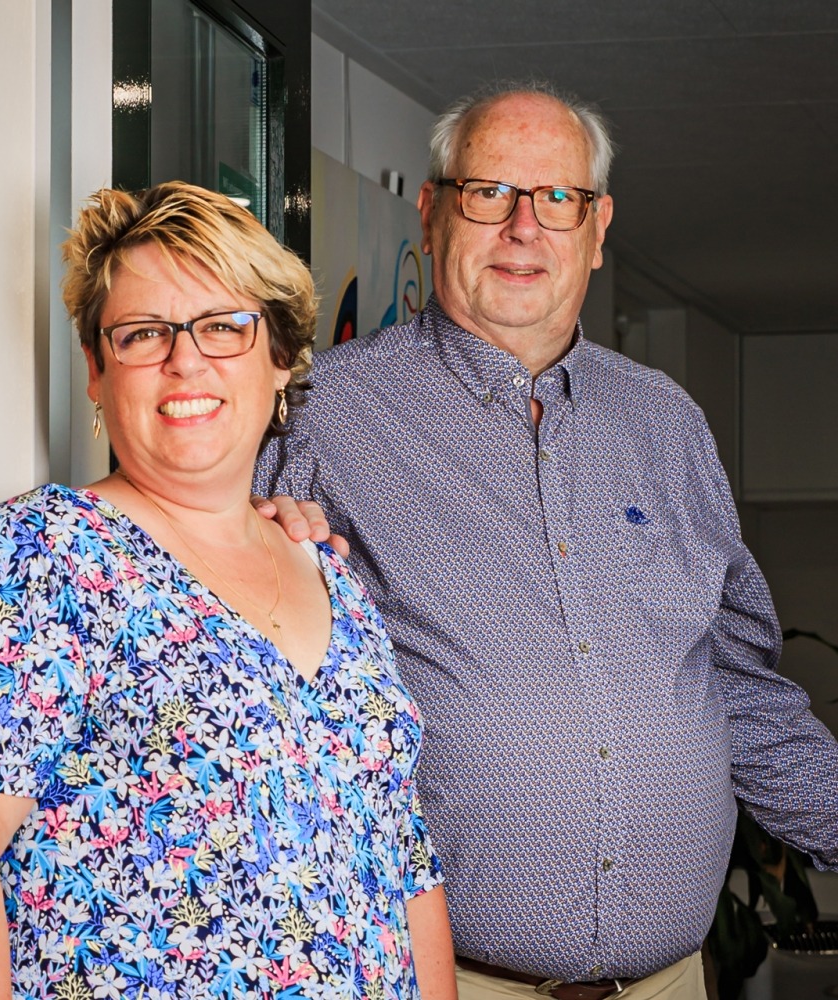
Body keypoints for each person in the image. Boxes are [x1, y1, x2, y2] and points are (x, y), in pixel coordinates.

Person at [255, 83, 838, 1000]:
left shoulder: (666, 426)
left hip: (671, 983)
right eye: (490, 192)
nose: (524, 227)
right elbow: (236, 674)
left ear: (598, 228)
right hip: (447, 982)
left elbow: (737, 687)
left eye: (557, 199)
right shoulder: (325, 417)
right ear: (434, 211)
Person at [0, 181, 457, 1000]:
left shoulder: (332, 577)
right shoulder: (43, 556)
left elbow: (401, 860)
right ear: (96, 370)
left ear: (281, 358)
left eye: (224, 326)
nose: (187, 360)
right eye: (145, 334)